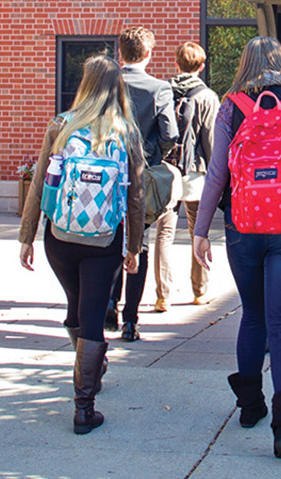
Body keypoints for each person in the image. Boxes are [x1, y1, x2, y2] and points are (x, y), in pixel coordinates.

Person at [192, 36, 281, 460]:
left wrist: (199, 230)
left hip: (243, 224)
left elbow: (217, 174)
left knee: (252, 315)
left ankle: (251, 406)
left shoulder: (232, 106)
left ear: (244, 63)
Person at [18, 55, 147, 434]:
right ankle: (84, 406)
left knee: (76, 310)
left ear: (85, 84)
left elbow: (41, 182)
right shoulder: (126, 132)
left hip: (59, 237)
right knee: (92, 316)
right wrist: (133, 247)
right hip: (104, 239)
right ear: (117, 87)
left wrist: (26, 236)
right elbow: (136, 196)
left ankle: (90, 363)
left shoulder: (61, 126)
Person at [108, 26, 179, 342]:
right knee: (140, 241)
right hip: (142, 172)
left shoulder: (107, 83)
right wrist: (154, 155)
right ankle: (130, 320)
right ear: (149, 54)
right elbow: (170, 133)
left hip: (106, 169)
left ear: (120, 53)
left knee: (110, 238)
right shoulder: (159, 88)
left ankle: (109, 304)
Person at [163, 41, 219, 306]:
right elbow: (211, 140)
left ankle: (162, 294)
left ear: (176, 64)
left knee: (165, 233)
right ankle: (200, 291)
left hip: (166, 169)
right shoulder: (207, 96)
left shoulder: (163, 91)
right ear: (201, 66)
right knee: (199, 231)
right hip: (195, 172)